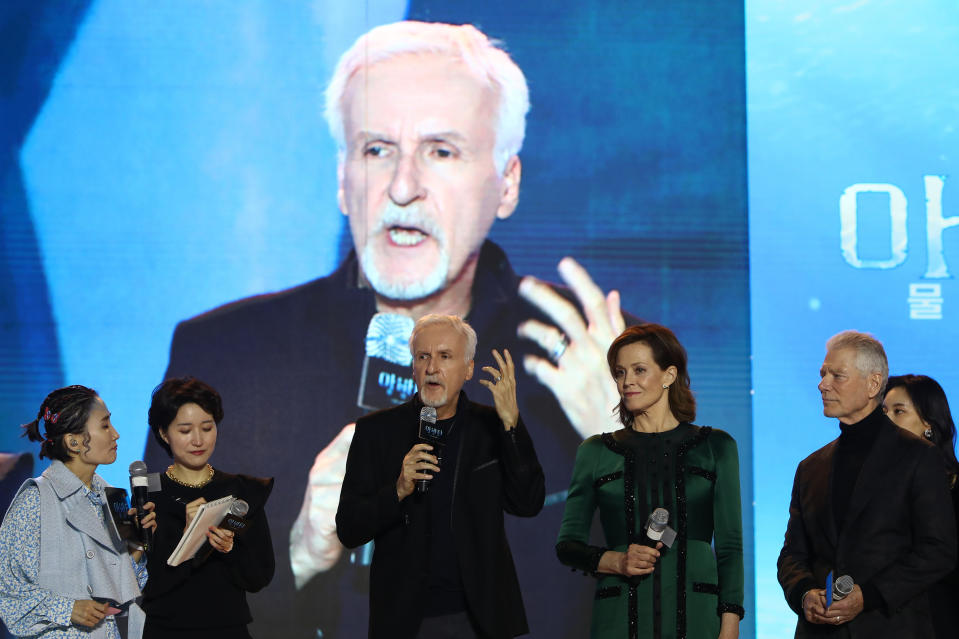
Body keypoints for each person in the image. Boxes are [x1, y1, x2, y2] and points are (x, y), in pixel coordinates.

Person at [145, 19, 635, 637]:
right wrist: (301, 552)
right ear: (343, 179)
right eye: (377, 149)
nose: (403, 188)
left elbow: (694, 599)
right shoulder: (223, 356)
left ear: (506, 183)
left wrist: (629, 446)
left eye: (441, 150)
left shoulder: (610, 357)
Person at [336, 314, 544, 638]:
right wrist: (398, 490)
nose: (432, 367)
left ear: (469, 368)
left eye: (445, 356)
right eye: (423, 357)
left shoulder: (493, 426)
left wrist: (512, 425)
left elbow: (528, 503)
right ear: (413, 367)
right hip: (406, 620)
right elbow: (349, 529)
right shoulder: (375, 432)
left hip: (478, 619)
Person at [556, 324, 744, 639]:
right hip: (619, 620)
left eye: (639, 370)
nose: (627, 381)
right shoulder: (596, 452)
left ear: (669, 375)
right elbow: (567, 546)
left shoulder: (716, 447)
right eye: (619, 372)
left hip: (698, 619)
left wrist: (730, 623)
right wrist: (617, 561)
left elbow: (730, 547)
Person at [778, 331, 957, 637]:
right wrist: (805, 593)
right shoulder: (810, 468)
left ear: (874, 384)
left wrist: (869, 595)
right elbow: (793, 554)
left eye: (837, 375)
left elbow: (938, 550)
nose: (823, 384)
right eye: (823, 374)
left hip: (890, 626)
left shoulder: (918, 458)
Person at [0, 385, 156, 639]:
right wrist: (67, 608)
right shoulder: (35, 501)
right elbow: (6, 590)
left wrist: (138, 545)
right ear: (73, 441)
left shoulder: (112, 497)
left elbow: (125, 589)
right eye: (105, 426)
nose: (115, 434)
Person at [141, 377, 274, 639]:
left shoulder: (240, 492)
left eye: (207, 427)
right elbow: (144, 582)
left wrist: (230, 550)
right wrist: (188, 538)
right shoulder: (150, 495)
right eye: (185, 430)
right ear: (163, 433)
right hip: (166, 631)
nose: (198, 440)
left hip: (227, 630)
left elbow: (259, 576)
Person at [882, 374, 959, 639]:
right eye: (883, 411)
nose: (887, 420)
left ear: (928, 422)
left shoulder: (953, 486)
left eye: (899, 411)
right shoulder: (876, 486)